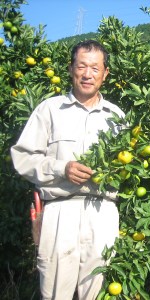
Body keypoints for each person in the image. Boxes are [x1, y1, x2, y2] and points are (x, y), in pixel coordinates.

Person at [11, 40, 125, 300]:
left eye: (95, 68)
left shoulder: (117, 116)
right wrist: (62, 168)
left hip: (103, 210)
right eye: (82, 66)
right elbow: (23, 157)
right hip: (60, 210)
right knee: (55, 291)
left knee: (95, 290)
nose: (88, 74)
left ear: (105, 74)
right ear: (71, 69)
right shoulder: (49, 110)